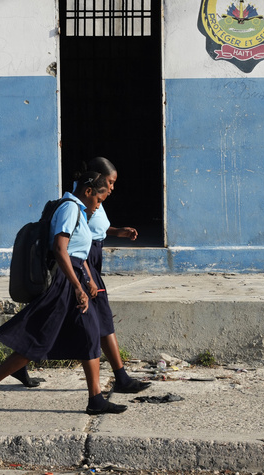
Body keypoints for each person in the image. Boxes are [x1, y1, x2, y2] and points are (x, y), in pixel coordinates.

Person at [0, 171, 127, 417]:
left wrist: (87, 279)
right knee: (38, 340)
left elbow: (79, 251)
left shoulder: (80, 211)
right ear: (88, 192)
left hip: (75, 278)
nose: (99, 205)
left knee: (90, 335)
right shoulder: (70, 209)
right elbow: (60, 249)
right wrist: (76, 285)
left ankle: (95, 399)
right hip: (65, 284)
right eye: (99, 199)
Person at [82, 157, 151, 394]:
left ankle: (120, 377)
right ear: (97, 180)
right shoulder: (82, 202)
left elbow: (95, 229)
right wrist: (87, 276)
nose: (112, 188)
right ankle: (116, 381)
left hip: (92, 257)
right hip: (84, 261)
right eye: (110, 182)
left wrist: (117, 231)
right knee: (98, 318)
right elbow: (76, 237)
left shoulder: (94, 199)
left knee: (95, 317)